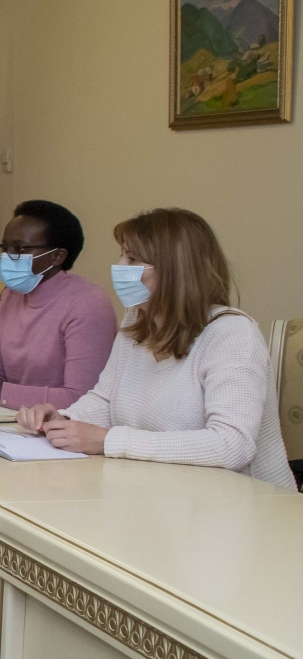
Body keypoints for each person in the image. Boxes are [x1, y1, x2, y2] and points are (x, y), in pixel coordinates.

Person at [16, 208, 294, 489]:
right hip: (161, 490)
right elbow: (105, 401)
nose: (119, 266)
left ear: (175, 269)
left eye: (132, 258)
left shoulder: (233, 333)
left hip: (243, 501)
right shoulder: (137, 318)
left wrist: (108, 440)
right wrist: (65, 420)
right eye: (122, 255)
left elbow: (231, 445)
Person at [0, 200, 117, 408]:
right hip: (13, 418)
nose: (7, 256)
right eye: (5, 247)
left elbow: (81, 399)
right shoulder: (12, 295)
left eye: (19, 249)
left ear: (57, 256)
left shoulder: (88, 304)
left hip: (61, 425)